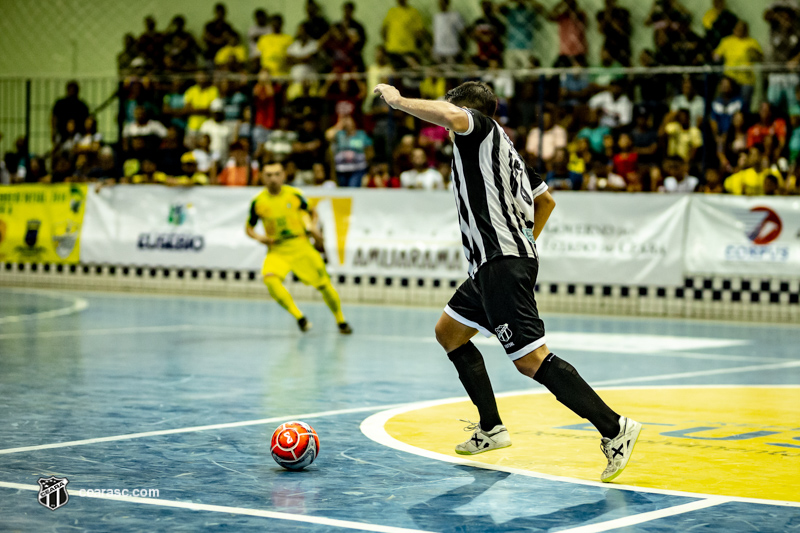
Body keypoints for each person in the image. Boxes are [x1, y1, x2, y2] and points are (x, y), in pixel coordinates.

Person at [372, 80, 641, 482]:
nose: (447, 127)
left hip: (501, 262)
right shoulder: (506, 151)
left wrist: (396, 101)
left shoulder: (477, 127)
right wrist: (525, 241)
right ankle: (491, 428)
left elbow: (449, 114)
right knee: (449, 332)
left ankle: (614, 428)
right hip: (492, 264)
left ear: (469, 113)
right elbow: (545, 201)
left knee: (531, 360)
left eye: (453, 117)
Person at [246, 161, 352, 334]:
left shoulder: (295, 195)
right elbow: (249, 227)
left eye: (277, 174)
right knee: (270, 278)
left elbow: (313, 212)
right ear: (261, 177)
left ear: (283, 176)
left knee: (324, 285)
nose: (273, 179)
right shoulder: (258, 202)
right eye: (269, 175)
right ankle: (299, 317)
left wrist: (312, 227)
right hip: (277, 248)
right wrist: (260, 237)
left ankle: (341, 320)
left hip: (300, 244)